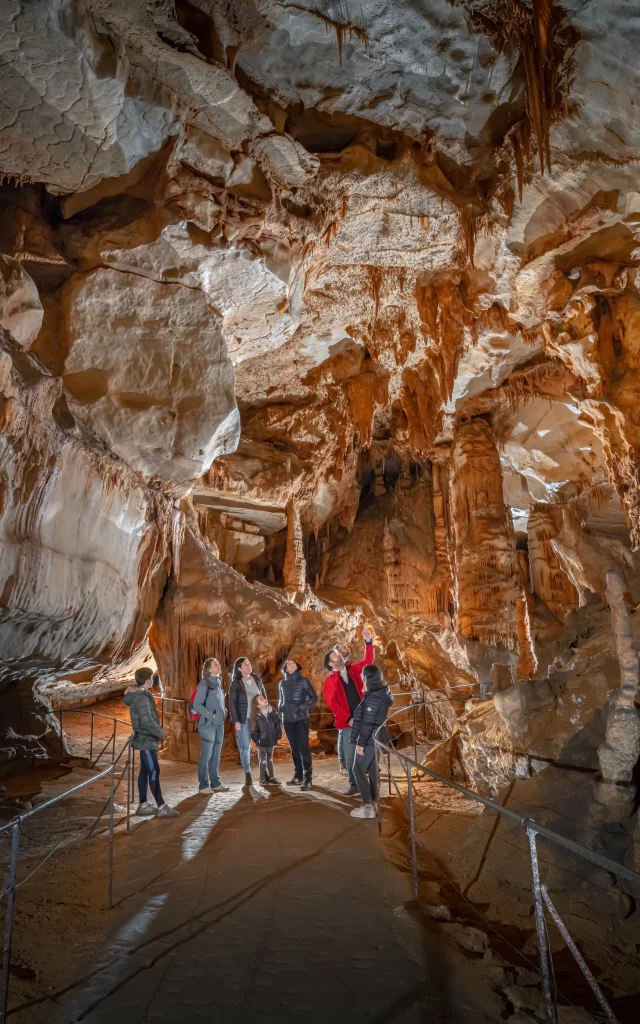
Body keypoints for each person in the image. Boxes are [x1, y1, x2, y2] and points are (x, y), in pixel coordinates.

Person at [323, 627, 375, 796]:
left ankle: (372, 783)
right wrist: (348, 718)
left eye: (337, 654)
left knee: (369, 749)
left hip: (363, 718)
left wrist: (368, 641)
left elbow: (368, 660)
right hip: (347, 723)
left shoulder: (353, 670)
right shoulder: (330, 681)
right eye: (334, 655)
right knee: (351, 754)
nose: (338, 655)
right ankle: (354, 784)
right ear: (331, 664)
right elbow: (333, 704)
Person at [124, 666, 179, 818]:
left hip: (145, 739)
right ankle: (161, 806)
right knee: (154, 770)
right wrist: (160, 733)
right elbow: (147, 721)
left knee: (145, 770)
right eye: (151, 680)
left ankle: (143, 805)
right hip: (146, 739)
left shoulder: (141, 695)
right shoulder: (141, 698)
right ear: (147, 681)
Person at [349, 664, 394, 819]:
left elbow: (368, 724)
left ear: (368, 678)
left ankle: (368, 806)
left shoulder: (373, 698)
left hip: (369, 740)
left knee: (357, 769)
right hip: (378, 737)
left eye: (363, 675)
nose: (361, 677)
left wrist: (361, 744)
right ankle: (375, 801)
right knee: (373, 770)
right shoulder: (382, 693)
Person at [278, 658, 318, 791]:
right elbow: (281, 699)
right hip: (287, 719)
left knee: (303, 748)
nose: (290, 664)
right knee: (294, 749)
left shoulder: (304, 681)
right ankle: (298, 775)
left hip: (301, 719)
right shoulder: (282, 683)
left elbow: (314, 698)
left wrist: (303, 706)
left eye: (293, 663)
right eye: (288, 663)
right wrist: (281, 707)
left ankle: (308, 778)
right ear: (285, 668)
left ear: (297, 667)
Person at [193, 657, 229, 794]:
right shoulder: (204, 684)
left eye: (218, 663)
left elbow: (221, 703)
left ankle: (215, 782)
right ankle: (203, 785)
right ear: (208, 669)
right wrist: (210, 715)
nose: (218, 665)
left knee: (216, 755)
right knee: (206, 754)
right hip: (208, 725)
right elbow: (197, 705)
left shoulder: (218, 684)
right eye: (215, 664)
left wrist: (223, 713)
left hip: (219, 725)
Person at [229, 657, 266, 785]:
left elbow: (263, 697)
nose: (248, 665)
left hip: (258, 718)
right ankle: (247, 772)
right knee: (245, 746)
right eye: (245, 664)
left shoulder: (257, 679)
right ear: (239, 668)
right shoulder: (236, 683)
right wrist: (236, 721)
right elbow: (232, 703)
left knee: (263, 744)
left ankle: (264, 772)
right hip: (244, 719)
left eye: (249, 663)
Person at [250, 693, 283, 785]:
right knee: (263, 759)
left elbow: (278, 725)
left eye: (263, 698)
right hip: (262, 741)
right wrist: (257, 740)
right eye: (261, 699)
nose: (264, 699)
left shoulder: (273, 712)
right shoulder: (256, 716)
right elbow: (254, 731)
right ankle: (262, 778)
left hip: (271, 740)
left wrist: (278, 736)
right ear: (257, 705)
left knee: (270, 759)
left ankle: (272, 777)